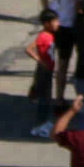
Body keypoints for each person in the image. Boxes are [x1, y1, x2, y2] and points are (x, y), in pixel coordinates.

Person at [25, 10, 60, 138]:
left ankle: (44, 123)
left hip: (49, 70)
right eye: (55, 21)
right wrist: (40, 60)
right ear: (46, 23)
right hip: (44, 71)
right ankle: (39, 126)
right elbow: (28, 49)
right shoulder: (43, 35)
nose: (57, 24)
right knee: (44, 99)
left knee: (48, 98)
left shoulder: (51, 34)